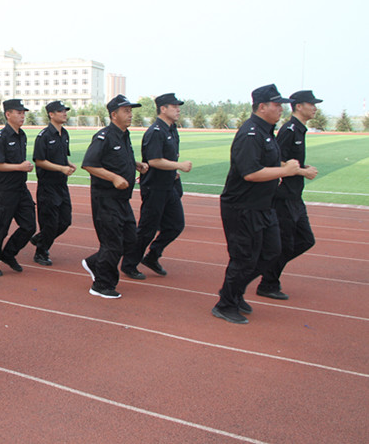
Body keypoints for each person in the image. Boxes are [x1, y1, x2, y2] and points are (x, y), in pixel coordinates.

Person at [212, 84, 300, 324]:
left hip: (263, 205)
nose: (281, 109)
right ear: (262, 107)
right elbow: (250, 173)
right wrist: (285, 171)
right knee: (244, 258)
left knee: (272, 252)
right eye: (277, 105)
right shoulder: (250, 134)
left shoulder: (266, 132)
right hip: (242, 207)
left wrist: (289, 169)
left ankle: (233, 291)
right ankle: (226, 304)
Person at [80, 95, 149, 299]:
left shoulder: (124, 135)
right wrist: (114, 178)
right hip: (105, 199)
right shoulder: (104, 136)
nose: (130, 114)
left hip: (122, 199)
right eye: (126, 111)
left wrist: (136, 165)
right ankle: (101, 285)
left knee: (130, 240)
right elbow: (89, 164)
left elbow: (118, 158)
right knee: (112, 243)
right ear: (113, 115)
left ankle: (94, 263)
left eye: (130, 111)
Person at [255, 90, 321, 300]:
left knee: (305, 240)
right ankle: (267, 282)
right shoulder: (289, 130)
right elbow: (276, 161)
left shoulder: (299, 130)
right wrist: (302, 171)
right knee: (284, 244)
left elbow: (289, 161)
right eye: (311, 104)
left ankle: (267, 272)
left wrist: (303, 167)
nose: (315, 108)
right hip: (283, 197)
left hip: (295, 196)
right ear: (298, 106)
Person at [120, 93, 192, 279]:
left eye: (178, 106)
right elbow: (154, 160)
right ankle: (129, 264)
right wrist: (179, 166)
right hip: (155, 187)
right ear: (163, 109)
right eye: (174, 106)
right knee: (147, 229)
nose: (178, 110)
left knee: (176, 225)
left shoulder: (171, 129)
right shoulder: (156, 132)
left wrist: (173, 171)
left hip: (169, 185)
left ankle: (152, 256)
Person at [0, 99, 36, 276]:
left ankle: (8, 253)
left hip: (20, 188)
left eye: (23, 113)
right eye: (19, 113)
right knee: (1, 229)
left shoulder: (22, 135)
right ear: (8, 114)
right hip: (4, 190)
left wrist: (23, 167)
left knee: (29, 226)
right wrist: (19, 167)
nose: (22, 116)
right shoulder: (1, 137)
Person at [30, 100, 75, 266]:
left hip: (61, 184)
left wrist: (68, 164)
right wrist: (61, 168)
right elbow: (39, 161)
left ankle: (40, 239)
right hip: (47, 186)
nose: (64, 113)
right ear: (51, 114)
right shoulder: (44, 136)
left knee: (65, 220)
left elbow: (62, 156)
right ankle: (41, 252)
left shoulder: (65, 134)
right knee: (50, 223)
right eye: (61, 111)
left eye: (65, 111)